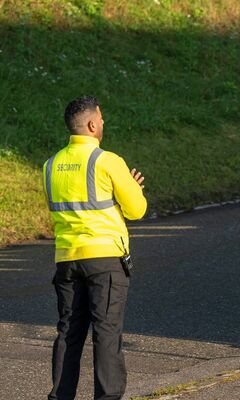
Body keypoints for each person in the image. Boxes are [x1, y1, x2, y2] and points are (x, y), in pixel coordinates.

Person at [45, 96, 147, 400]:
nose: (103, 123)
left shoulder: (50, 165)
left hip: (66, 260)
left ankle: (60, 396)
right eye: (101, 118)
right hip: (105, 261)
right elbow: (137, 209)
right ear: (91, 124)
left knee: (68, 333)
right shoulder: (108, 161)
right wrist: (132, 189)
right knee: (106, 333)